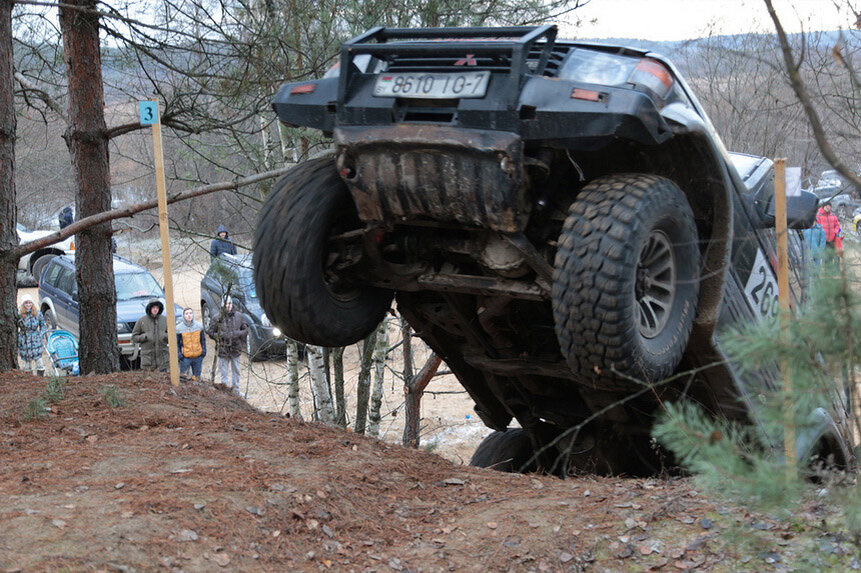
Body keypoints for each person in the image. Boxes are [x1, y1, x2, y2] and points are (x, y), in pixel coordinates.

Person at [206, 296, 247, 395]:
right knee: (224, 373)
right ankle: (225, 392)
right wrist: (221, 336)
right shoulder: (217, 317)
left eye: (230, 304)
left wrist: (237, 334)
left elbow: (245, 330)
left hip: (236, 348)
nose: (228, 306)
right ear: (222, 305)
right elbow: (210, 332)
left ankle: (236, 390)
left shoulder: (239, 316)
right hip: (223, 350)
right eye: (226, 304)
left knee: (236, 371)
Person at [131, 299, 169, 371]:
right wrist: (144, 337)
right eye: (153, 308)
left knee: (163, 380)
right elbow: (134, 337)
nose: (155, 309)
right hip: (148, 360)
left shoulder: (165, 320)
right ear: (149, 308)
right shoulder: (142, 321)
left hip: (163, 359)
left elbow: (172, 336)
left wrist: (164, 336)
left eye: (157, 308)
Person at [17, 294, 47, 376]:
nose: (28, 305)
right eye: (26, 303)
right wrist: (19, 338)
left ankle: (40, 380)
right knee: (27, 365)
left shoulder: (38, 314)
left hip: (36, 341)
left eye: (30, 303)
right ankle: (29, 381)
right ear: (23, 304)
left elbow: (43, 326)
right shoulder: (19, 315)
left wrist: (40, 336)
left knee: (40, 363)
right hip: (24, 341)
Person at [176, 307, 206, 380]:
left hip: (198, 357)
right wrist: (179, 355)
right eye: (186, 314)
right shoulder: (179, 328)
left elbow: (203, 341)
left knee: (197, 378)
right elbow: (177, 343)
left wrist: (203, 352)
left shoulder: (199, 326)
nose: (189, 315)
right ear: (183, 316)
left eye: (190, 313)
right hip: (185, 358)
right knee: (184, 378)